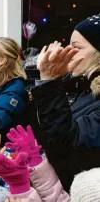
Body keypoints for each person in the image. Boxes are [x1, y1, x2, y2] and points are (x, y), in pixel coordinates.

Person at [28, 14, 100, 191]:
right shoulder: (79, 86)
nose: (67, 52)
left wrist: (49, 83)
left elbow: (67, 148)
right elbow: (43, 132)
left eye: (76, 47)